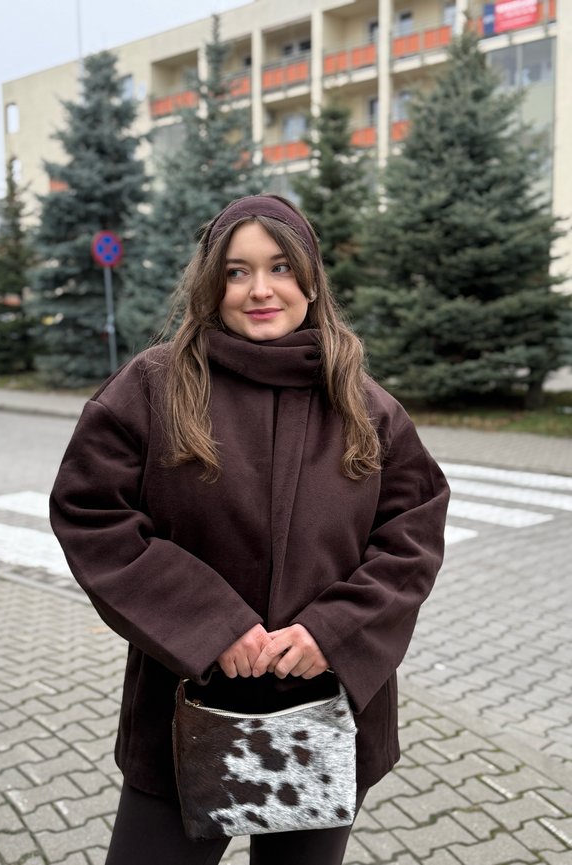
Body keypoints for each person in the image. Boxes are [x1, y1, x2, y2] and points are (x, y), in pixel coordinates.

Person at [50, 193, 450, 865]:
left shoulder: (367, 406)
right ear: (211, 283)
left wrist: (334, 631)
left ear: (311, 278)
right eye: (236, 271)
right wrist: (210, 624)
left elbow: (411, 537)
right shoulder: (153, 388)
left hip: (322, 711)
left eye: (280, 267)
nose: (260, 289)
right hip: (186, 709)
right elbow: (93, 513)